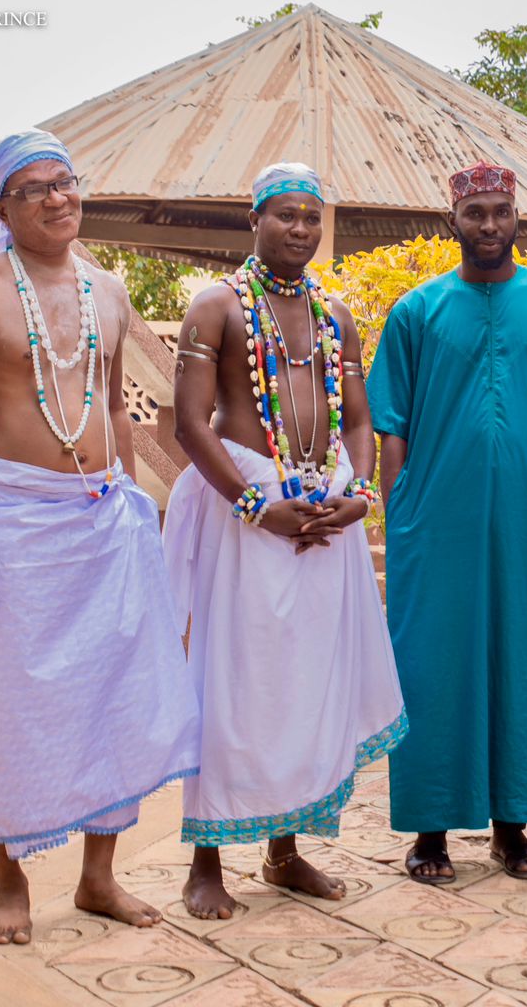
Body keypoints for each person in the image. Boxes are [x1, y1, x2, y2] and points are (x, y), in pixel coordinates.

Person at [0, 128, 201, 946]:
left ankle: (97, 877)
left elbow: (114, 406)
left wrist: (135, 505)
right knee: (10, 704)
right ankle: (8, 882)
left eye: (66, 181)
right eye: (36, 188)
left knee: (113, 695)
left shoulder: (106, 290)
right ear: (2, 207)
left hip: (104, 518)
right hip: (14, 524)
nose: (58, 198)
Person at [367, 160, 527, 884]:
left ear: (517, 219)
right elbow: (391, 424)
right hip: (435, 522)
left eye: (499, 212)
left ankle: (515, 829)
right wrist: (402, 509)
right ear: (453, 219)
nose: (487, 225)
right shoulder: (416, 311)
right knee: (434, 660)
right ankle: (430, 831)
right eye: (474, 213)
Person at [163, 162, 406, 918]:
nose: (301, 229)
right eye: (286, 215)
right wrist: (254, 506)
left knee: (305, 682)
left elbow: (358, 420)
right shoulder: (216, 307)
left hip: (323, 510)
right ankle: (205, 863)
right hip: (244, 511)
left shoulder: (335, 315)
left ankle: (284, 851)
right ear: (255, 220)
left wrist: (357, 496)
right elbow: (189, 425)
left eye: (311, 217)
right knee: (234, 683)